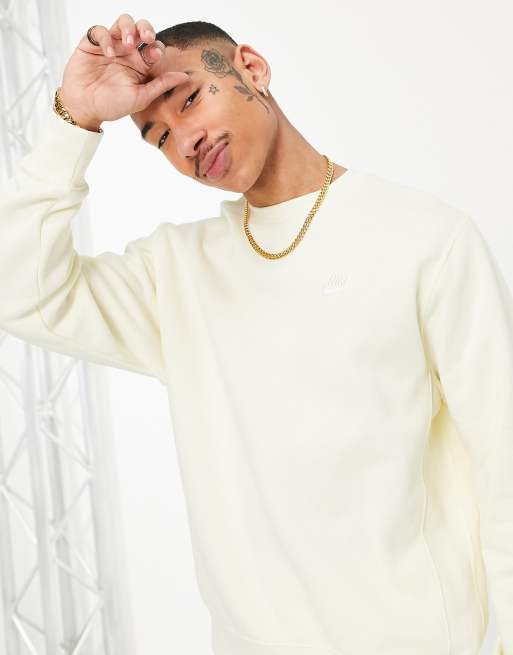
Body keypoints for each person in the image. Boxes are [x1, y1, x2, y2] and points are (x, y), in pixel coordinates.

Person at [0, 14, 511, 655]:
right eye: (160, 138)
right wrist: (74, 118)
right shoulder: (175, 275)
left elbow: (503, 462)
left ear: (252, 68)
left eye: (189, 99)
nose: (185, 141)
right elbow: (19, 290)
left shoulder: (427, 238)